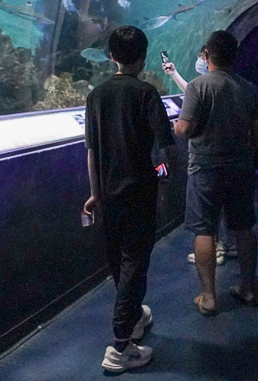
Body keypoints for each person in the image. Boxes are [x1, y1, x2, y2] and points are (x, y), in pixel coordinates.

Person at [84, 26, 178, 373]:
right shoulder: (146, 93)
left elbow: (92, 152)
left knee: (117, 261)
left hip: (107, 195)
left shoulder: (95, 96)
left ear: (111, 57)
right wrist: (165, 180)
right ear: (143, 56)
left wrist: (94, 193)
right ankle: (121, 347)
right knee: (135, 263)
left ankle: (135, 316)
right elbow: (166, 148)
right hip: (140, 190)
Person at [174, 30, 258, 315]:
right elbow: (256, 132)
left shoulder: (198, 86)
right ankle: (248, 288)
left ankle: (209, 297)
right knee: (243, 227)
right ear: (234, 56)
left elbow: (184, 128)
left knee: (204, 229)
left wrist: (178, 126)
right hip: (240, 165)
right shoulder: (248, 88)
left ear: (207, 55)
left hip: (205, 166)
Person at [163, 47, 236, 266]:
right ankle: (228, 246)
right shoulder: (238, 85)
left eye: (201, 55)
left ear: (208, 57)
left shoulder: (205, 84)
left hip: (207, 158)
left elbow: (186, 123)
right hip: (235, 159)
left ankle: (216, 249)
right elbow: (193, 91)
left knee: (205, 217)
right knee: (230, 208)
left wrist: (177, 126)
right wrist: (174, 73)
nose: (199, 60)